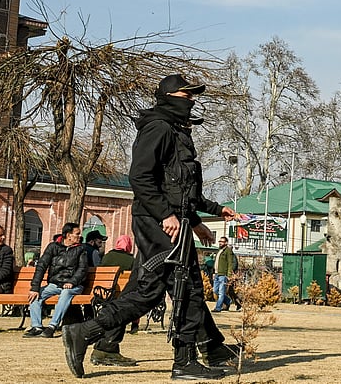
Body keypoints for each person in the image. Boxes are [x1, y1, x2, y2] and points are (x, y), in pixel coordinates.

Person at [63, 74, 243, 381]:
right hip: (158, 223)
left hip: (175, 222)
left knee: (187, 289)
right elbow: (140, 177)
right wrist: (164, 216)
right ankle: (87, 332)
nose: (193, 100)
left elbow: (183, 189)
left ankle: (199, 353)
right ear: (172, 96)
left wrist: (207, 216)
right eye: (189, 95)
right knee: (154, 291)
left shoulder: (175, 130)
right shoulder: (158, 128)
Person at [25, 222, 89, 339]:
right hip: (55, 284)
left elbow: (82, 269)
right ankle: (37, 327)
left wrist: (72, 282)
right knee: (35, 295)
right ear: (68, 235)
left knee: (66, 292)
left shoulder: (81, 249)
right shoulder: (53, 247)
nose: (80, 236)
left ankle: (52, 326)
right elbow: (41, 266)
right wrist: (34, 288)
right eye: (77, 234)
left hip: (74, 285)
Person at [90, 234, 139, 367]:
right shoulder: (131, 260)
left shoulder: (107, 256)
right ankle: (109, 349)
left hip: (103, 293)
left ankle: (103, 349)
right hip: (121, 296)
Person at [213, 236, 237, 312]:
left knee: (221, 292)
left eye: (222, 241)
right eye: (219, 241)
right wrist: (214, 272)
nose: (220, 243)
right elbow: (216, 262)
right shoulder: (219, 251)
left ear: (226, 243)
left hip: (223, 275)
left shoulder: (228, 251)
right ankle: (228, 301)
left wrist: (229, 275)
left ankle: (218, 308)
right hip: (217, 273)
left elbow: (230, 263)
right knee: (215, 291)